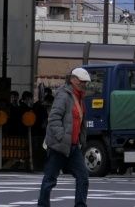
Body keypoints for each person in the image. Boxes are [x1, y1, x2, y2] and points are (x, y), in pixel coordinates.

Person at [37, 68, 90, 207]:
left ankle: (80, 205)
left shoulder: (79, 97)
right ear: (72, 80)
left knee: (83, 177)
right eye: (81, 81)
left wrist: (80, 141)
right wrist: (62, 137)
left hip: (72, 146)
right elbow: (53, 118)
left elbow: (81, 122)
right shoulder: (64, 95)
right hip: (59, 146)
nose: (84, 84)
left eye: (85, 82)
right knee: (50, 180)